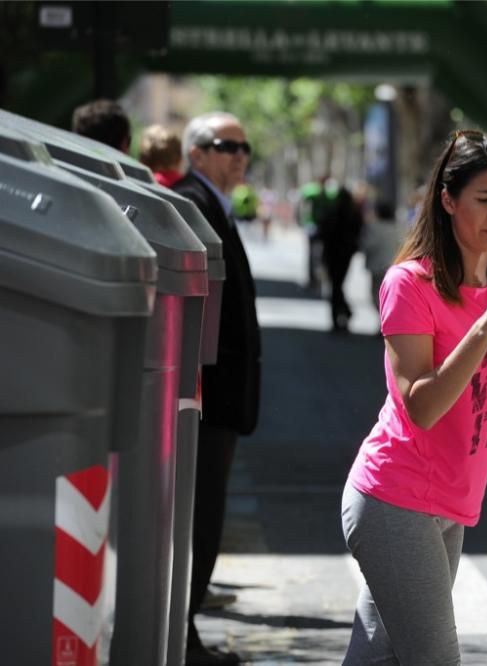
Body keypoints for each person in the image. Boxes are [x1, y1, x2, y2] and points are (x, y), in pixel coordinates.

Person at [341, 131, 487, 665]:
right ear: (447, 199)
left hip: (451, 505)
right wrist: (485, 329)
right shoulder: (410, 283)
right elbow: (420, 405)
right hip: (394, 497)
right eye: (484, 199)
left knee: (377, 658)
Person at [173, 112, 261, 666]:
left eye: (244, 147)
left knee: (205, 521)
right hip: (204, 397)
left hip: (217, 397)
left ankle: (184, 634)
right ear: (196, 153)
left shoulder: (213, 207)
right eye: (225, 145)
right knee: (198, 522)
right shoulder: (192, 204)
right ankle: (181, 638)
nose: (238, 155)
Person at [319, 183, 364, 332]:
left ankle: (339, 316)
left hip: (332, 253)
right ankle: (343, 313)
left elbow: (323, 232)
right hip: (345, 253)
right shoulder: (354, 213)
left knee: (335, 285)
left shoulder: (331, 212)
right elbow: (359, 232)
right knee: (338, 284)